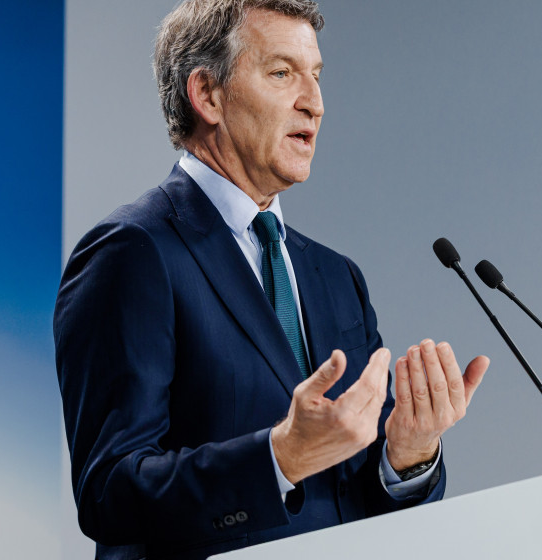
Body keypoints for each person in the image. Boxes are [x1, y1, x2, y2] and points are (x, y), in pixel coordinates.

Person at [54, 1, 489, 558]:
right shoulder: (132, 251)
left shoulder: (336, 277)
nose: (315, 103)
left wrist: (406, 455)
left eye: (316, 76)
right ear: (207, 95)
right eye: (282, 73)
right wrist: (277, 460)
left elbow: (350, 498)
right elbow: (110, 492)